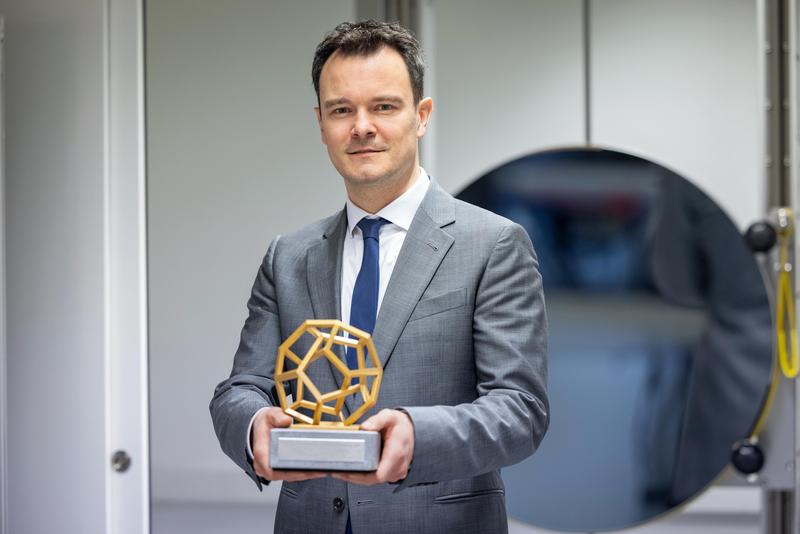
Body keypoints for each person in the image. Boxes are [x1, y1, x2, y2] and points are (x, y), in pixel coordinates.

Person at [210, 20, 548, 534]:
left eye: (384, 107)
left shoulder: (493, 244)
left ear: (422, 116)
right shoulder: (289, 256)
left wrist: (416, 433)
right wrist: (257, 426)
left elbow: (520, 411)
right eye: (342, 110)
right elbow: (241, 389)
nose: (361, 127)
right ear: (321, 122)